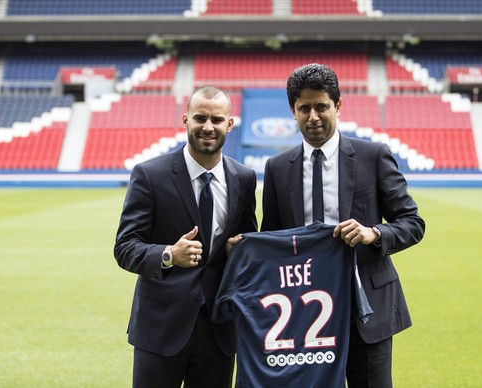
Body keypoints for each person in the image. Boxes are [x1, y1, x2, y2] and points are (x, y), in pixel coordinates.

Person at [261, 63, 426, 387]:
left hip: (367, 308)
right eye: (304, 108)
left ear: (338, 105)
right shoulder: (278, 168)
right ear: (293, 111)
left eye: (321, 106)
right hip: (304, 312)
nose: (313, 117)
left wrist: (373, 233)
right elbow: (272, 240)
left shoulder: (373, 156)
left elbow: (412, 222)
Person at [114, 85, 258, 388]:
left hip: (219, 329)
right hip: (161, 328)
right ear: (185, 120)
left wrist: (239, 251)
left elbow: (249, 242)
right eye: (200, 118)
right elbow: (125, 247)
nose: (208, 127)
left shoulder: (243, 179)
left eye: (217, 120)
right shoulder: (150, 175)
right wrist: (168, 255)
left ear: (229, 124)